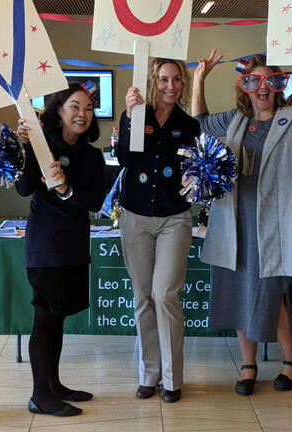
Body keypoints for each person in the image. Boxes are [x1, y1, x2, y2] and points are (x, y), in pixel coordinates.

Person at [192, 51, 292, 396]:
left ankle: (291, 360)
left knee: (270, 296)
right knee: (236, 292)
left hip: (270, 225)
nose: (262, 87)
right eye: (253, 81)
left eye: (270, 81)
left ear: (278, 87)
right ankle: (248, 364)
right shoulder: (234, 121)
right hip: (232, 221)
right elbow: (199, 122)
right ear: (244, 87)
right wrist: (199, 79)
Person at [15, 82, 106, 416]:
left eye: (87, 108)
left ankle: (54, 385)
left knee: (59, 319)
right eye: (74, 107)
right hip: (46, 246)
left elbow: (97, 200)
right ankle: (40, 395)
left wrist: (67, 188)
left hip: (74, 245)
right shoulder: (42, 144)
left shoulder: (92, 155)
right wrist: (26, 148)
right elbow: (24, 188)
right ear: (59, 110)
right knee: (45, 318)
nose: (82, 114)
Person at [118, 58, 200, 403]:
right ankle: (149, 375)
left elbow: (198, 168)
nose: (171, 86)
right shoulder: (138, 116)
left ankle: (172, 378)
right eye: (164, 79)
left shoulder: (189, 124)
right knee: (143, 298)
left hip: (174, 220)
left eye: (177, 79)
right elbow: (123, 157)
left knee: (165, 294)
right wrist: (127, 115)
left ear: (183, 84)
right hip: (135, 217)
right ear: (154, 81)